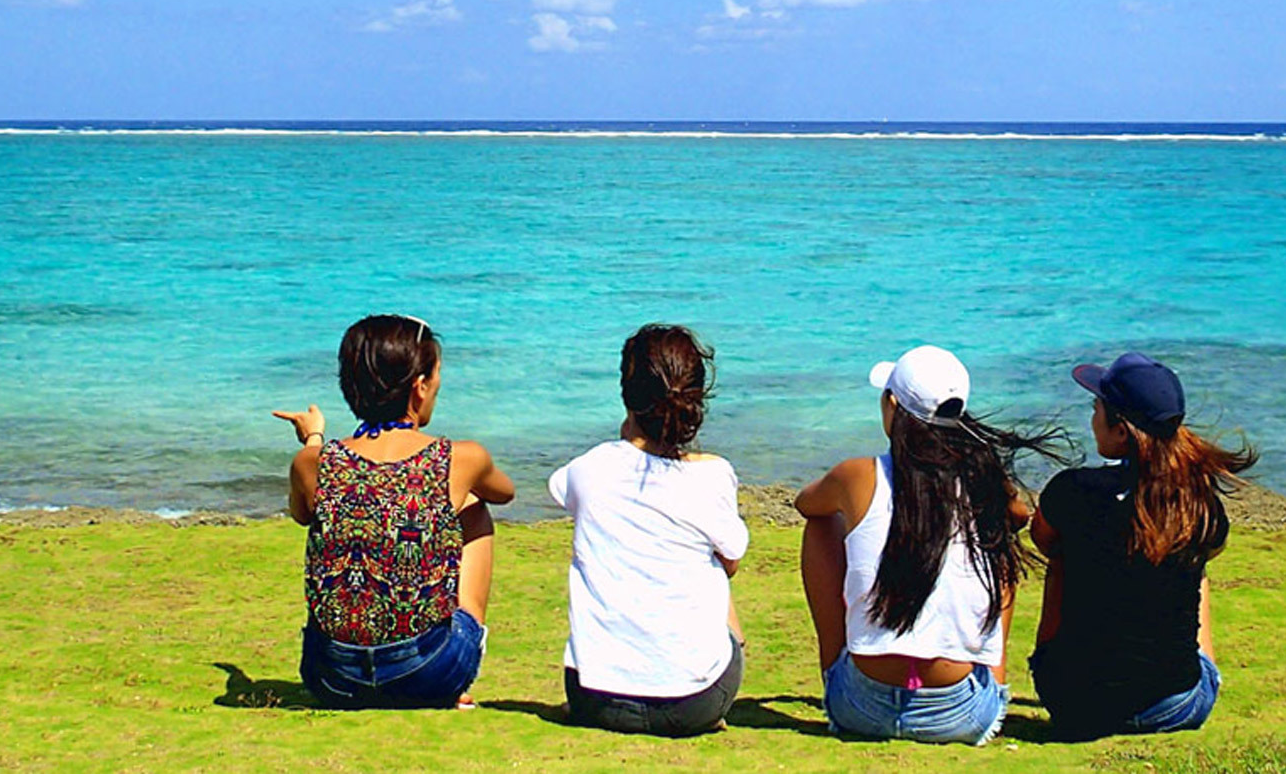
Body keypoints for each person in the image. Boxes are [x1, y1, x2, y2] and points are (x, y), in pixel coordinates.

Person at [795, 345, 1058, 745]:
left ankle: (835, 667)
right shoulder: (980, 478)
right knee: (998, 539)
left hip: (860, 708)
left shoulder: (858, 475)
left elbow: (805, 503)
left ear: (892, 404)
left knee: (819, 525)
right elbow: (1019, 515)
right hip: (962, 714)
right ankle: (995, 678)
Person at [271, 314, 516, 709]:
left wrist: (313, 438)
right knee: (473, 506)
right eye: (435, 380)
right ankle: (459, 665)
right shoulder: (462, 457)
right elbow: (505, 493)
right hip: (430, 674)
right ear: (419, 388)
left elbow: (303, 514)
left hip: (330, 677)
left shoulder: (311, 462)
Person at [1028, 352, 1257, 740]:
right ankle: (1175, 672)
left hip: (1074, 705)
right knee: (1193, 563)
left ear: (1121, 431)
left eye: (1096, 407)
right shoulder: (1196, 504)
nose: (1093, 417)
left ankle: (1057, 663)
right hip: (1177, 706)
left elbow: (1043, 539)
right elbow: (1212, 549)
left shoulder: (1072, 490)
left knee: (1065, 556)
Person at [548, 324, 749, 736]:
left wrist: (628, 442)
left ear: (628, 393)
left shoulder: (590, 469)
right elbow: (732, 559)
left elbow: (561, 488)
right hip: (696, 704)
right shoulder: (712, 475)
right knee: (711, 560)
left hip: (594, 699)